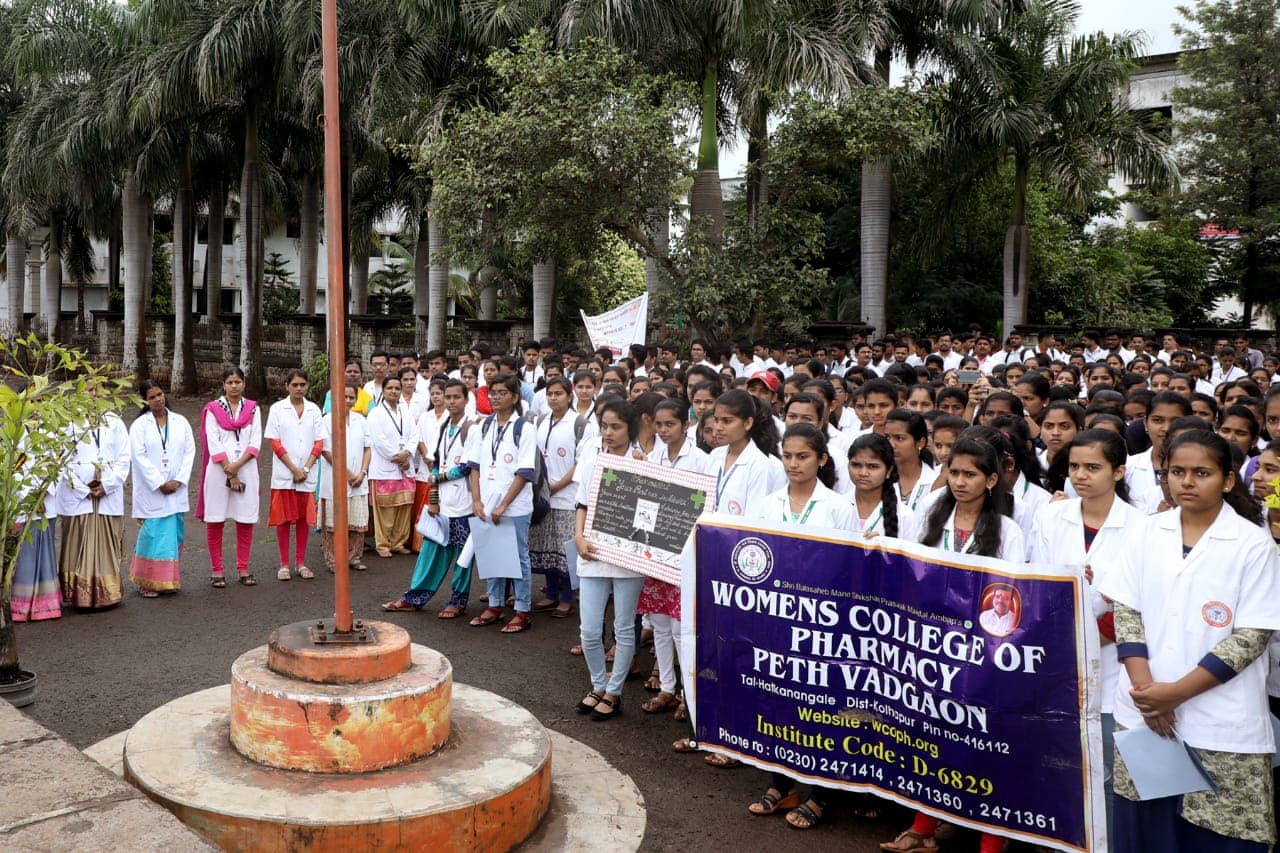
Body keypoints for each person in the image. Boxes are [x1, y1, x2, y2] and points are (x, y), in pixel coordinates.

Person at [1100, 431, 1280, 853]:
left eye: (1202, 473)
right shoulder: (1146, 532)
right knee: (1147, 832)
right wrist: (1148, 694)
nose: (1187, 482)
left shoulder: (1253, 545)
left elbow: (1251, 636)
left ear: (1228, 481)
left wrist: (1173, 696)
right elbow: (1127, 612)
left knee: (1220, 837)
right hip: (1145, 714)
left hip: (1221, 721)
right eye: (1177, 472)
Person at [1030, 428, 1140, 840]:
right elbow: (1037, 583)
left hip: (1113, 665)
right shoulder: (1050, 516)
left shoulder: (1142, 528)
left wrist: (1088, 637)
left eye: (1093, 467)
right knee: (1062, 765)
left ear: (1118, 471)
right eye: (1074, 466)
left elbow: (1136, 606)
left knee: (1107, 771)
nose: (1080, 475)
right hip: (1056, 658)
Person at [746, 424, 854, 830]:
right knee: (780, 699)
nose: (794, 463)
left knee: (820, 704)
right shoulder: (768, 503)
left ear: (822, 460)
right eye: (788, 456)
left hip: (821, 621)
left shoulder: (837, 507)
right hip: (777, 615)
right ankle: (781, 782)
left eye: (803, 456)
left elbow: (846, 568)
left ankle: (821, 793)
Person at [572, 398, 648, 722]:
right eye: (604, 426)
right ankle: (597, 685)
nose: (608, 432)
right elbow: (582, 504)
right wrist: (579, 536)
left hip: (629, 557)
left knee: (624, 627)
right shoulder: (593, 459)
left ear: (630, 428)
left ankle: (614, 692)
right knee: (589, 630)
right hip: (593, 551)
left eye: (615, 427)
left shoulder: (643, 463)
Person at [466, 373, 537, 633]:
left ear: (515, 397)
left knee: (518, 556)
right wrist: (476, 499)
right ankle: (495, 604)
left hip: (515, 507)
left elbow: (525, 472)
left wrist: (504, 504)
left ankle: (522, 609)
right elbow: (473, 466)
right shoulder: (484, 426)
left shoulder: (524, 428)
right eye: (492, 392)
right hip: (487, 504)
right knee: (492, 553)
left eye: (502, 393)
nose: (495, 397)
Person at [57, 399, 131, 610]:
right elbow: (62, 459)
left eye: (98, 390)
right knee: (76, 542)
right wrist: (82, 488)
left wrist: (107, 485)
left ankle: (107, 594)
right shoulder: (70, 422)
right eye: (89, 389)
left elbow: (124, 458)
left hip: (107, 494)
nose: (94, 394)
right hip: (79, 495)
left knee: (105, 544)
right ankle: (78, 595)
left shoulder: (115, 421)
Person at [128, 381, 196, 597]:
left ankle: (167, 580)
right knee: (152, 534)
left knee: (173, 534)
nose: (158, 399)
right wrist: (159, 483)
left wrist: (178, 480)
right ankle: (147, 582)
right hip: (152, 491)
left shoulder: (180, 422)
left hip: (175, 489)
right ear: (145, 401)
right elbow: (138, 457)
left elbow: (189, 452)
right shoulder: (139, 426)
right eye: (152, 397)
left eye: (160, 394)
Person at [197, 366, 262, 587]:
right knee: (216, 518)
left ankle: (243, 567)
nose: (234, 386)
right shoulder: (213, 409)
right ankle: (217, 570)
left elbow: (255, 442)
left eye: (238, 382)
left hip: (246, 467)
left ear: (244, 383)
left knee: (245, 518)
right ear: (223, 384)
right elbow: (212, 441)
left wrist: (237, 467)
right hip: (218, 470)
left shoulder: (253, 409)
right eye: (230, 382)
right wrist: (229, 468)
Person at [529, 377, 581, 618]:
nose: (553, 398)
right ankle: (550, 594)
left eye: (559, 393)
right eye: (550, 393)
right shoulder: (540, 421)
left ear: (569, 396)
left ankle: (567, 599)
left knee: (565, 550)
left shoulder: (580, 424)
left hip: (568, 497)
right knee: (546, 546)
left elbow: (581, 462)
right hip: (543, 497)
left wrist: (558, 485)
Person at [264, 370, 323, 580]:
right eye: (295, 385)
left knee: (302, 519)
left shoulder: (314, 410)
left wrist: (305, 469)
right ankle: (284, 564)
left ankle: (301, 562)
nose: (299, 388)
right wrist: (293, 469)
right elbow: (274, 441)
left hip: (306, 474)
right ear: (287, 386)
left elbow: (319, 442)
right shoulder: (278, 409)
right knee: (283, 519)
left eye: (303, 385)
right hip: (285, 473)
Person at [317, 382, 372, 574]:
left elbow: (367, 448)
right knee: (333, 522)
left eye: (351, 397)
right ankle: (333, 560)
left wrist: (362, 473)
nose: (348, 401)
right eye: (344, 396)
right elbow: (325, 450)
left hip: (359, 478)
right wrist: (347, 474)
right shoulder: (326, 420)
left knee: (357, 521)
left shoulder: (360, 420)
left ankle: (354, 557)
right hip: (334, 479)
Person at [367, 374, 418, 557]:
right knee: (385, 509)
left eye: (397, 388)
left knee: (404, 506)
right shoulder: (375, 413)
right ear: (383, 390)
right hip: (385, 466)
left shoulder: (406, 412)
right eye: (390, 388)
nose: (394, 391)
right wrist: (397, 457)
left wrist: (408, 453)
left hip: (405, 466)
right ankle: (383, 544)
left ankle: (398, 542)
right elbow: (378, 441)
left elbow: (414, 435)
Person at [10, 438, 60, 621]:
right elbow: (9, 466)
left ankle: (47, 604)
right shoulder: (11, 432)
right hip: (21, 501)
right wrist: (29, 494)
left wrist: (44, 490)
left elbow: (59, 463)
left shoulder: (49, 431)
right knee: (24, 554)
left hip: (46, 502)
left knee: (46, 551)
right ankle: (20, 606)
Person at [847, 433, 914, 540]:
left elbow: (909, 555)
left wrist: (884, 549)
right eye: (856, 465)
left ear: (889, 470)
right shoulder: (835, 506)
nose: (863, 473)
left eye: (872, 466)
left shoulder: (905, 516)